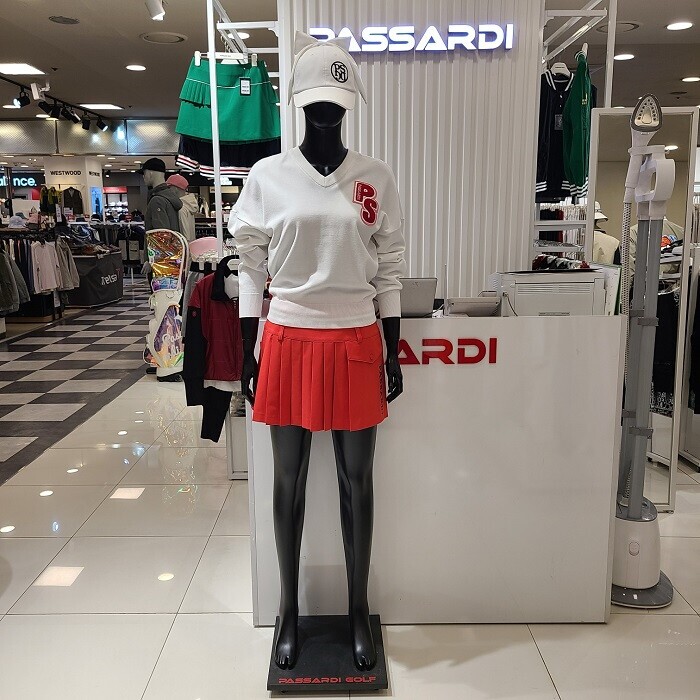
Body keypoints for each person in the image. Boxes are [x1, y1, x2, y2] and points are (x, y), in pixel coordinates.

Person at [140, 158, 183, 232]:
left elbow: (161, 234)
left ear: (150, 173)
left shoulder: (157, 200)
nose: (143, 177)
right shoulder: (169, 196)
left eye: (144, 173)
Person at [166, 174, 198, 242]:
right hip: (191, 244)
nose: (168, 191)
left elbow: (185, 236)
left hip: (185, 245)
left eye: (169, 188)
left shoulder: (181, 208)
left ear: (175, 189)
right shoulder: (189, 204)